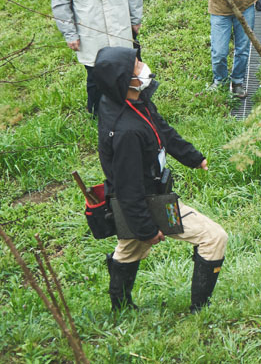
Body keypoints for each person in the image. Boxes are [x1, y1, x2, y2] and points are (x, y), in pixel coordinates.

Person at [94, 46, 227, 312]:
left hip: (139, 200)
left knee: (130, 248)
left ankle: (120, 309)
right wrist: (146, 229)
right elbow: (129, 189)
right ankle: (201, 310)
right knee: (214, 237)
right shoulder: (126, 132)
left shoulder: (128, 100)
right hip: (147, 203)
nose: (143, 66)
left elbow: (161, 128)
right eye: (136, 66)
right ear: (124, 80)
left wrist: (192, 157)